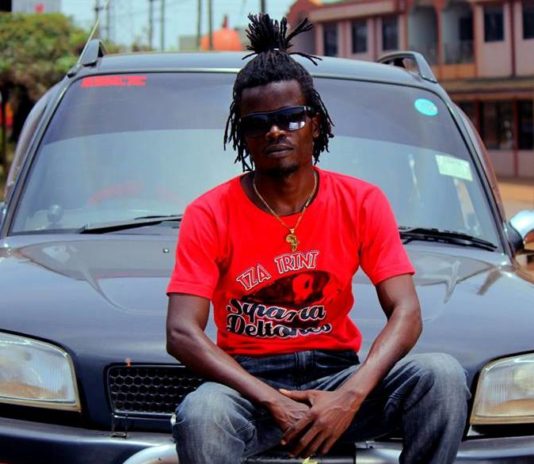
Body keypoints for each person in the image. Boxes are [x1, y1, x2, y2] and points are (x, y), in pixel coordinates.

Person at [166, 13, 469, 464]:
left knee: (441, 376)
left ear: (316, 123)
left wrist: (350, 396)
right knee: (203, 413)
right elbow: (181, 332)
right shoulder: (209, 212)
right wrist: (272, 400)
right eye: (257, 123)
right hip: (248, 388)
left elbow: (407, 312)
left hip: (338, 377)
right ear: (241, 135)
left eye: (290, 118)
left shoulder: (362, 201)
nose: (274, 131)